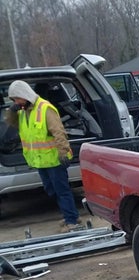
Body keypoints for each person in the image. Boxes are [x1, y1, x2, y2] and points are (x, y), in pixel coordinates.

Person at [6, 79, 82, 232]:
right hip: (41, 161)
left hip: (53, 159)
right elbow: (12, 124)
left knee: (62, 190)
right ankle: (71, 215)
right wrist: (11, 111)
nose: (16, 102)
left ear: (24, 95)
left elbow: (58, 132)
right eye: (14, 100)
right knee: (51, 190)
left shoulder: (45, 109)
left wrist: (63, 152)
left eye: (17, 98)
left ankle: (71, 221)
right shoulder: (23, 111)